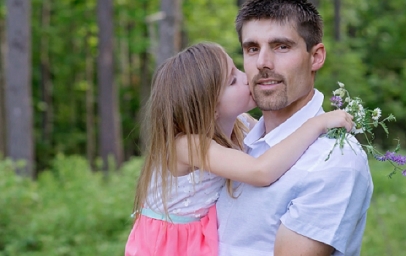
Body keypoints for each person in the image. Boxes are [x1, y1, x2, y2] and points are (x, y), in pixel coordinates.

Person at [124, 42, 354, 256]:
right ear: (211, 108)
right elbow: (260, 171)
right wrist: (315, 124)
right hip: (170, 244)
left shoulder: (240, 123)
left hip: (201, 234)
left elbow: (280, 141)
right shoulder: (187, 145)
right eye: (232, 81)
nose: (246, 78)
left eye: (237, 70)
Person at [216, 0, 374, 256]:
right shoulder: (235, 138)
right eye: (252, 48)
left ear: (316, 57)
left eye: (281, 46)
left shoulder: (334, 160)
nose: (263, 62)